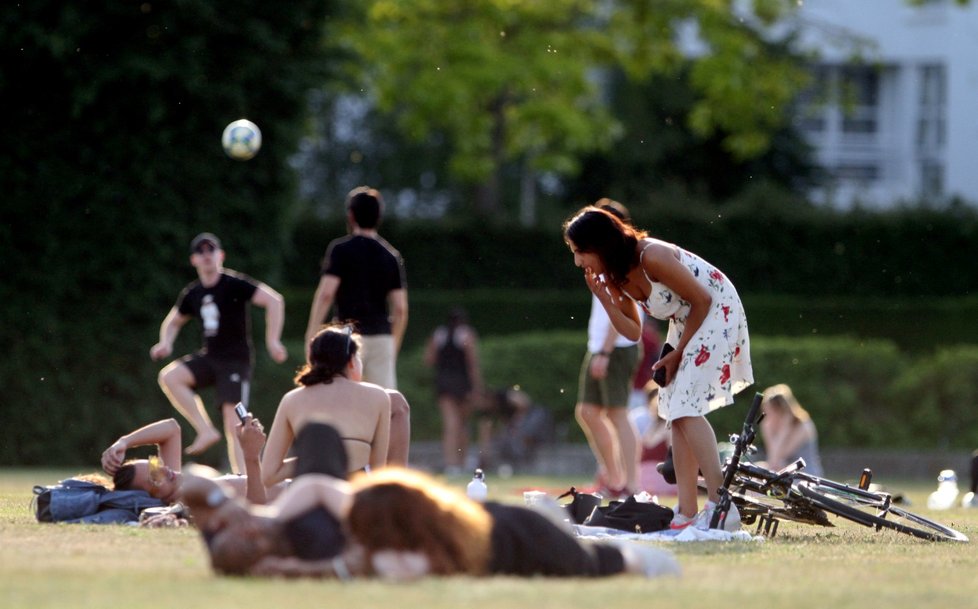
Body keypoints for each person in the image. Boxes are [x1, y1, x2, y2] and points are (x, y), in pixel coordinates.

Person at [563, 204, 753, 532]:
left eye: (580, 252)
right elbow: (633, 332)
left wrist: (677, 353)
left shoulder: (652, 256)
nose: (578, 261)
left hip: (715, 309)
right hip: (687, 320)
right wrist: (607, 299)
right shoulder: (614, 275)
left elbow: (703, 300)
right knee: (673, 411)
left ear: (599, 245)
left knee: (686, 409)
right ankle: (687, 510)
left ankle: (723, 504)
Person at [184, 467, 680, 580]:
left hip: (517, 532)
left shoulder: (371, 523)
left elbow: (376, 560)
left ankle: (648, 560)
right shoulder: (381, 532)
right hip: (497, 526)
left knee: (598, 564)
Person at [150, 232, 288, 474]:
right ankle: (205, 430)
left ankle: (245, 479)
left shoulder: (234, 284)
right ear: (193, 260)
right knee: (170, 377)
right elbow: (173, 321)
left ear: (221, 255)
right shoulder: (193, 293)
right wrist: (166, 343)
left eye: (211, 250)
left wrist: (273, 341)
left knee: (234, 421)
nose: (206, 256)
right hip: (210, 357)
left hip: (236, 361)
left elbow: (274, 301)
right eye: (200, 252)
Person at [304, 186, 410, 465]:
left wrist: (313, 332)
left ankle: (343, 466)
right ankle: (385, 471)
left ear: (351, 215)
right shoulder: (390, 255)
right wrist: (393, 344)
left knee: (342, 405)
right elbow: (400, 308)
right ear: (379, 217)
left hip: (347, 341)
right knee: (386, 408)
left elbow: (326, 293)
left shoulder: (340, 250)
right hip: (382, 338)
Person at [260, 324, 398, 485]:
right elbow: (377, 471)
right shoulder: (378, 396)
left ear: (313, 363)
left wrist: (312, 458)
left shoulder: (291, 399)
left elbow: (268, 475)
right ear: (351, 361)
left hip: (309, 489)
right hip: (354, 492)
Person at [574, 200, 642, 498]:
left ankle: (630, 483)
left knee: (617, 413)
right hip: (599, 346)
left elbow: (624, 314)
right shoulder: (600, 263)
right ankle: (614, 478)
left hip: (616, 347)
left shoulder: (622, 264)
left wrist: (604, 351)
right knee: (587, 411)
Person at [103, 416, 279, 505]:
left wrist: (124, 441)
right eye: (155, 477)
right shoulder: (188, 504)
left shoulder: (175, 485)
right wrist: (251, 456)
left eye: (156, 464)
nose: (164, 470)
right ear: (148, 499)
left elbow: (171, 428)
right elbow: (257, 508)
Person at [424, 308, 484, 474]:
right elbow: (472, 363)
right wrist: (477, 387)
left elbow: (429, 359)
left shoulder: (439, 334)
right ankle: (462, 461)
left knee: (450, 424)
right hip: (463, 384)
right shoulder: (467, 334)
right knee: (462, 424)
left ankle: (451, 464)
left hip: (444, 383)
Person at [473, 386, 554, 471]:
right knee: (504, 439)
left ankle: (527, 456)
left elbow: (525, 402)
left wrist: (516, 423)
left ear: (487, 397)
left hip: (534, 415)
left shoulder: (502, 395)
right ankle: (520, 462)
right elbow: (485, 438)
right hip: (518, 425)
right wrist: (483, 456)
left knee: (523, 432)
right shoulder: (485, 413)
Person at [759, 384, 824, 477]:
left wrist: (784, 429)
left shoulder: (803, 426)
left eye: (770, 412)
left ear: (780, 411)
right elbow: (772, 460)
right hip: (785, 473)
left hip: (805, 476)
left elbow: (776, 460)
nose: (767, 416)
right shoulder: (769, 426)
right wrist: (768, 431)